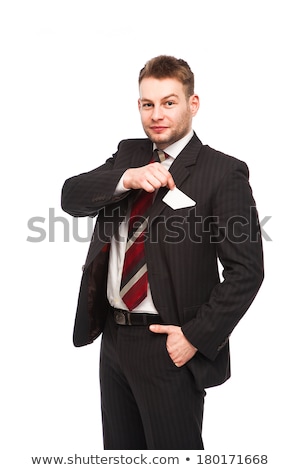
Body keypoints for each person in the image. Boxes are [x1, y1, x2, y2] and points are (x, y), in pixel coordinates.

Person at [61, 55, 264, 450]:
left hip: (169, 344)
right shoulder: (128, 155)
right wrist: (127, 178)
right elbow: (71, 196)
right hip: (114, 340)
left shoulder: (223, 172)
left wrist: (194, 337)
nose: (156, 114)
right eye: (147, 103)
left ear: (193, 104)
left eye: (169, 102)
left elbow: (247, 270)